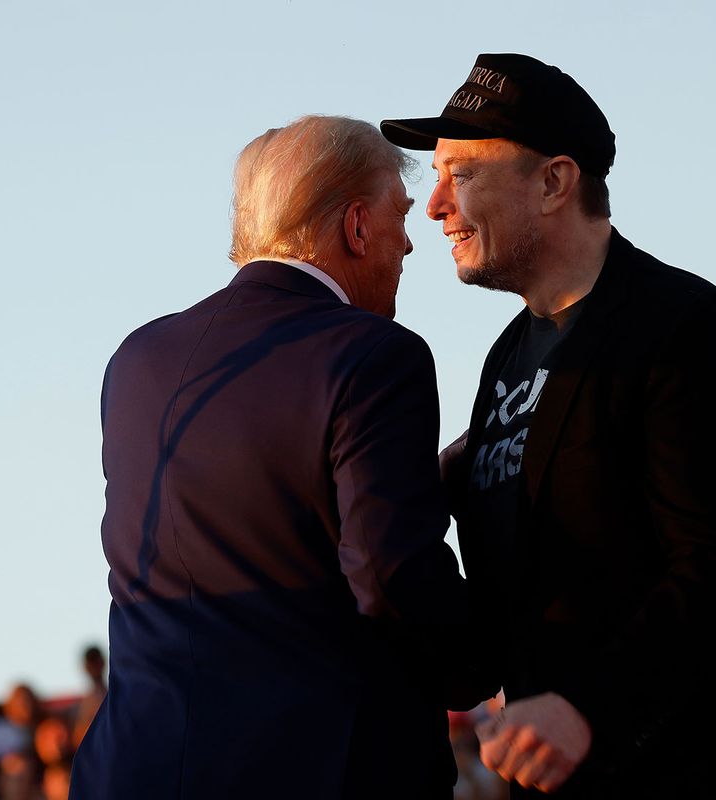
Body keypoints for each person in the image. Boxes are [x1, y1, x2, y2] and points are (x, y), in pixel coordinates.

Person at [382, 53, 716, 797]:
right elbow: (501, 619)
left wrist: (589, 710)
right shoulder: (505, 361)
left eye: (460, 174)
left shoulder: (687, 327)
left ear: (555, 181)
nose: (433, 205)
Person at [70, 115, 485, 799]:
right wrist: (482, 666)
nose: (409, 243)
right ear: (356, 225)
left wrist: (417, 486)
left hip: (133, 768)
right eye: (399, 215)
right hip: (319, 768)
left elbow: (247, 528)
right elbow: (388, 573)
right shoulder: (376, 355)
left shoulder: (138, 357)